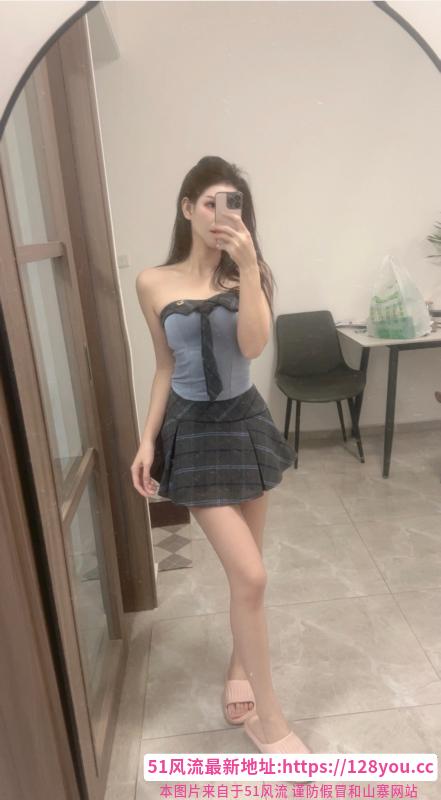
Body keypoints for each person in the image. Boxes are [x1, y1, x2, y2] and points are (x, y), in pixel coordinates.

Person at [131, 156, 311, 756]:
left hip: (245, 424)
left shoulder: (249, 275)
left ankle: (239, 666)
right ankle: (271, 720)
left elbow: (253, 347)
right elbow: (164, 365)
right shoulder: (152, 282)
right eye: (209, 202)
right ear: (187, 207)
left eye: (232, 204)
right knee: (252, 574)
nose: (219, 215)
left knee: (246, 573)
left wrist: (250, 269)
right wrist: (147, 439)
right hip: (192, 430)